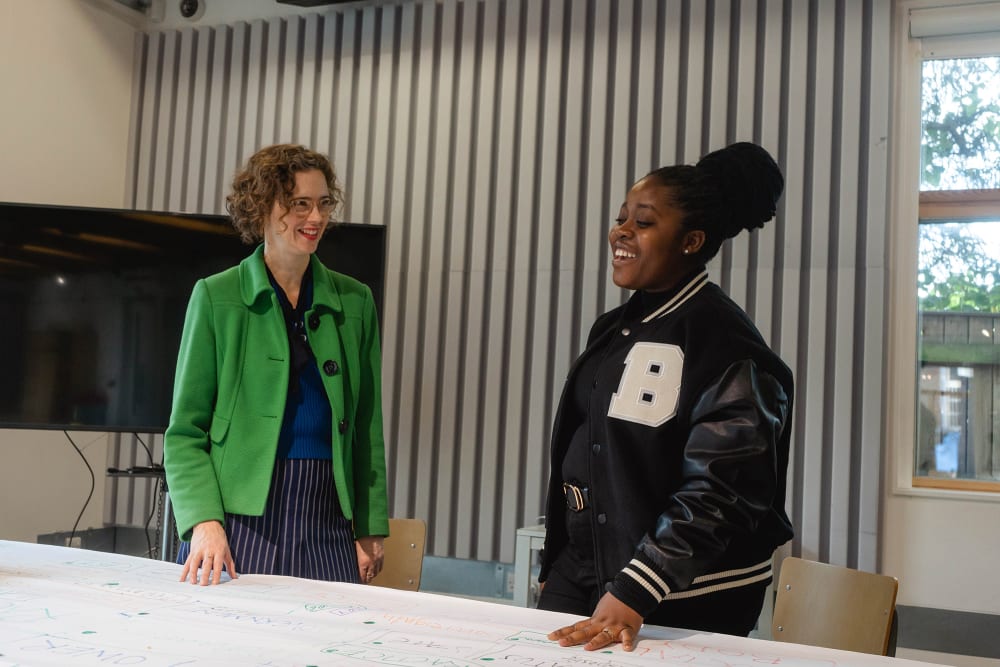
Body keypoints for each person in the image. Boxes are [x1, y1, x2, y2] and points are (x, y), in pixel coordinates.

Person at [537, 142, 794, 651]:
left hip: (682, 585)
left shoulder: (728, 345)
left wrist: (636, 587)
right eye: (620, 219)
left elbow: (723, 492)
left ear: (691, 240)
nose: (620, 232)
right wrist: (561, 563)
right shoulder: (613, 329)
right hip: (588, 564)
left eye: (644, 223)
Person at [164, 143, 389, 586]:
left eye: (324, 203)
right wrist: (204, 522)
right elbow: (185, 432)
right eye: (299, 204)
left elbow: (366, 425)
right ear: (262, 207)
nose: (316, 218)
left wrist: (370, 524)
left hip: (328, 518)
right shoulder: (215, 296)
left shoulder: (355, 300)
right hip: (235, 523)